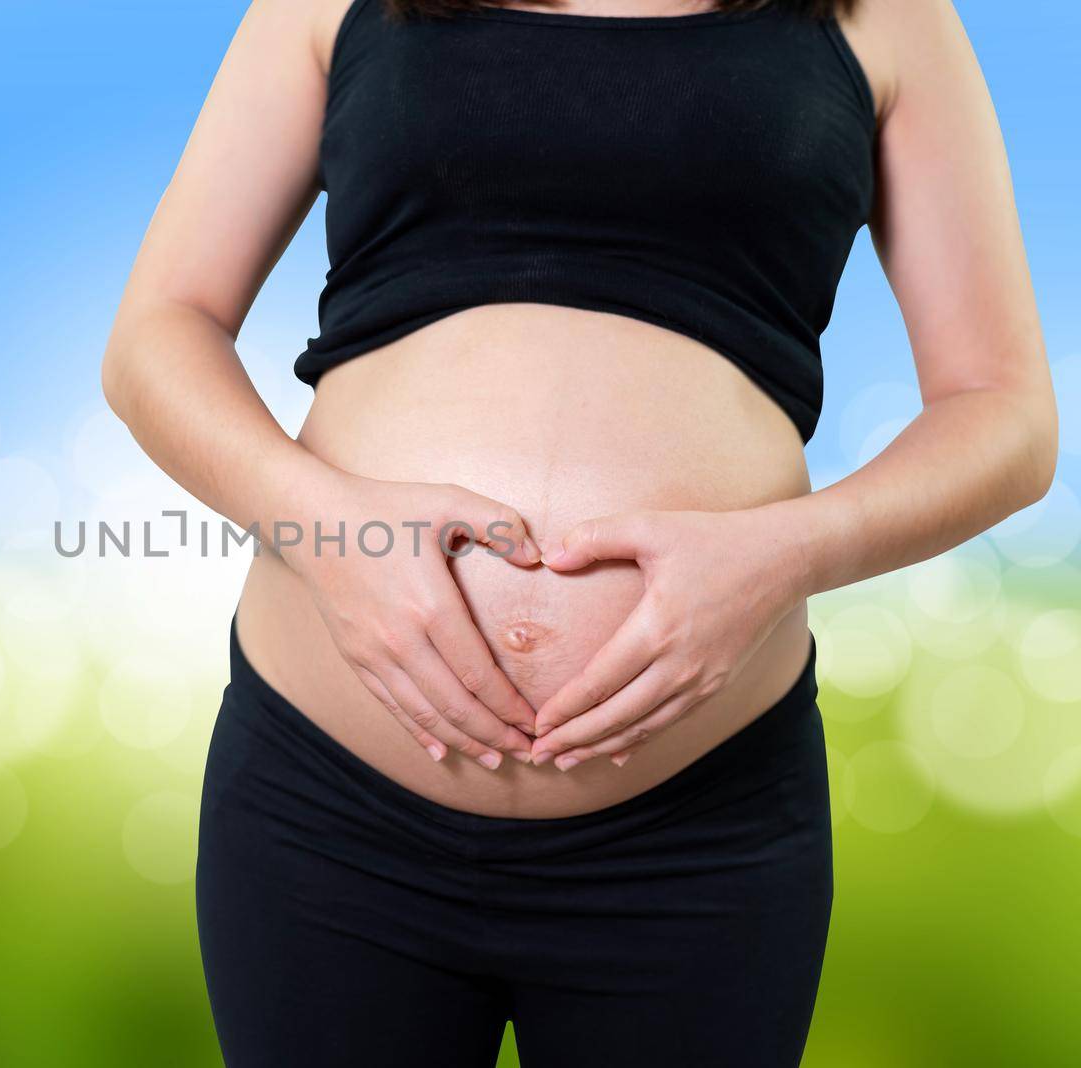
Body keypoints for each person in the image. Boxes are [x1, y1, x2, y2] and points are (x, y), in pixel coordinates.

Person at [101, 1, 1057, 1064]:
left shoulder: (881, 16)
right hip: (328, 811)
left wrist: (784, 554)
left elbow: (1003, 414)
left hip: (692, 836)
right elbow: (157, 332)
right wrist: (326, 532)